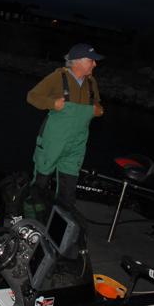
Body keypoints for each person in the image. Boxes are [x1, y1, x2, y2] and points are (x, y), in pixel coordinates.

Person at [27, 43, 104, 217]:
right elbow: (32, 96)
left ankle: (61, 222)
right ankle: (32, 219)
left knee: (68, 187)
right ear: (78, 61)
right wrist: (52, 103)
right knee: (41, 182)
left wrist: (98, 110)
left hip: (77, 144)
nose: (95, 64)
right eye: (91, 60)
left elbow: (97, 104)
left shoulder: (91, 82)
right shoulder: (58, 77)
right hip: (53, 141)